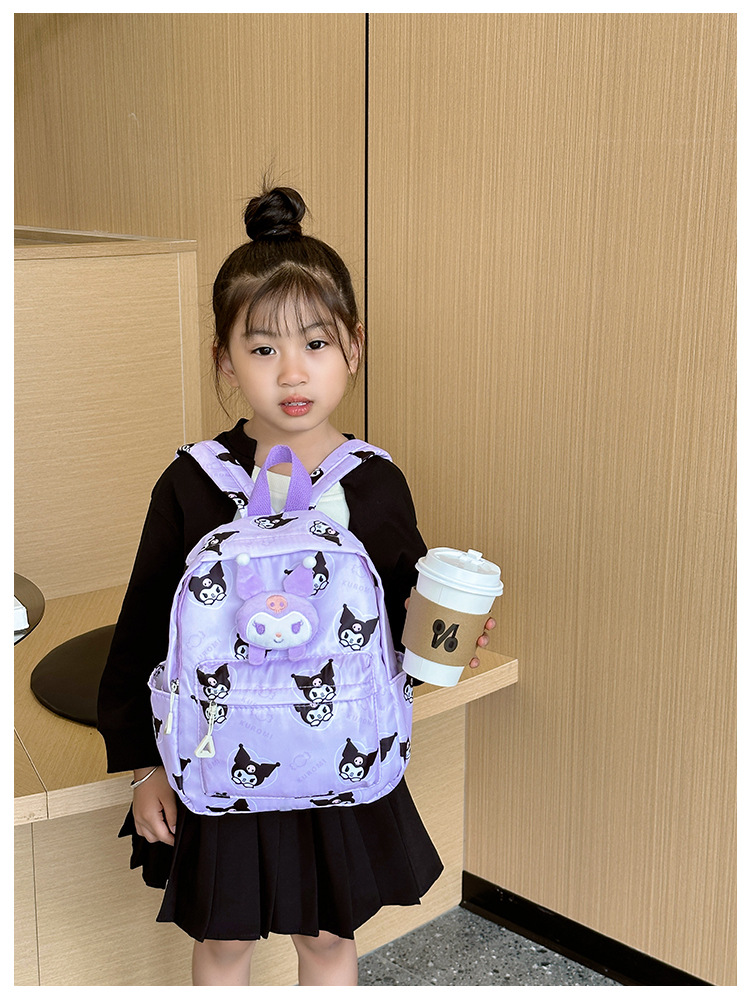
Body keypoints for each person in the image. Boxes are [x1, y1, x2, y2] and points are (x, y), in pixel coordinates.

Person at [97, 185, 495, 987]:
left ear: (354, 347)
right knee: (223, 944)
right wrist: (144, 768)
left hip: (335, 758)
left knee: (327, 939)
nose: (292, 372)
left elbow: (399, 625)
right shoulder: (192, 483)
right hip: (219, 755)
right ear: (224, 359)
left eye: (316, 342)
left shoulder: (373, 482)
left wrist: (445, 636)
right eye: (261, 349)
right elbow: (142, 632)